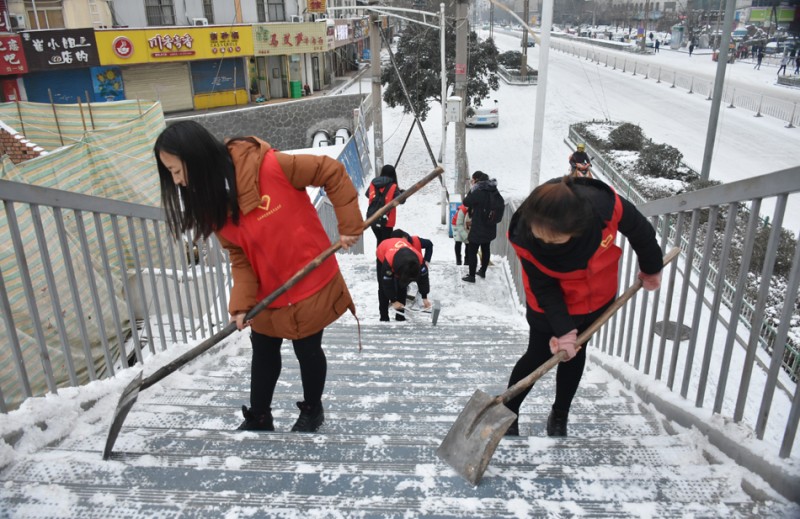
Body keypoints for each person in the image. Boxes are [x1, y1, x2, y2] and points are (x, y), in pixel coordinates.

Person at [154, 120, 363, 434]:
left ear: (196, 158)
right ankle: (260, 416)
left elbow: (329, 170)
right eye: (170, 173)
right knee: (263, 351)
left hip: (308, 280)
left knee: (307, 350)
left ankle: (312, 409)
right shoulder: (212, 205)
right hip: (267, 294)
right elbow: (240, 256)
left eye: (177, 170)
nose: (178, 181)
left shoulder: (269, 167)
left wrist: (348, 226)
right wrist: (241, 303)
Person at [503, 175, 663, 437]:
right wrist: (563, 330)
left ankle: (560, 413)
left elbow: (641, 232)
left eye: (555, 239)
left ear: (577, 228)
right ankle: (508, 411)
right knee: (537, 356)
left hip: (596, 300)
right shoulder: (524, 235)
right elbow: (544, 287)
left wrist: (651, 267)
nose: (545, 243)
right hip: (548, 308)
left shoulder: (605, 206)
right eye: (541, 237)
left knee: (574, 356)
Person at [376, 235, 429, 321]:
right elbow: (386, 284)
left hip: (403, 256)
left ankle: (400, 316)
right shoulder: (388, 261)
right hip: (383, 250)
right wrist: (393, 300)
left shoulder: (419, 259)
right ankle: (384, 317)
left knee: (402, 286)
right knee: (382, 288)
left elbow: (424, 278)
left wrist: (424, 297)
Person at [461, 171, 502, 283]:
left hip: (479, 226)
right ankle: (483, 271)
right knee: (486, 248)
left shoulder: (478, 191)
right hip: (490, 225)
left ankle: (472, 276)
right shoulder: (493, 189)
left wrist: (472, 189)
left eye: (472, 180)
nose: (471, 182)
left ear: (476, 180)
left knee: (472, 250)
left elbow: (466, 202)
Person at [391, 229, 434, 310]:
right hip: (403, 271)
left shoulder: (416, 241)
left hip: (417, 268)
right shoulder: (395, 247)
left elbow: (429, 244)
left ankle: (421, 297)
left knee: (422, 279)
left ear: (405, 237)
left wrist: (427, 260)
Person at [365, 164, 403, 244]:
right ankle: (381, 256)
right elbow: (401, 200)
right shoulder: (393, 186)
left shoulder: (373, 183)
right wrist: (402, 193)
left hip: (373, 217)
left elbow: (367, 194)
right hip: (387, 220)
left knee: (380, 241)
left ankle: (379, 256)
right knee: (385, 243)